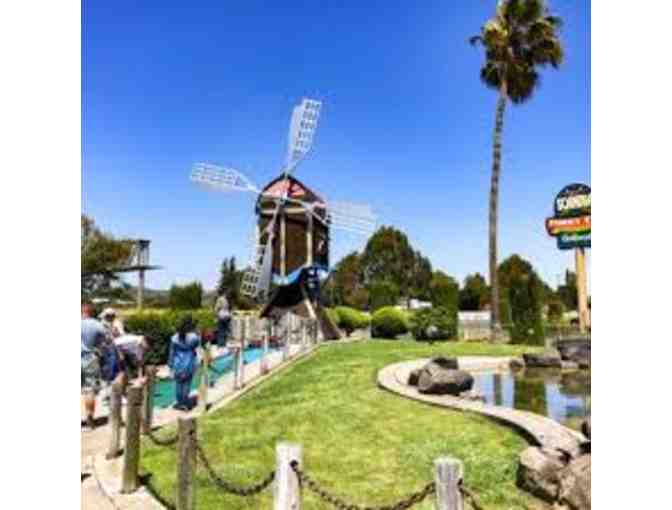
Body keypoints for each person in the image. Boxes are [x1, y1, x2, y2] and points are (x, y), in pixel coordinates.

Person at [81, 304, 107, 429]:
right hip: (90, 358)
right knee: (89, 389)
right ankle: (89, 416)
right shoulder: (97, 325)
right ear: (92, 313)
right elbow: (106, 341)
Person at [168, 315, 200, 411]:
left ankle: (179, 403)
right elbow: (196, 345)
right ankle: (185, 403)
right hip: (189, 362)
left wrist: (170, 365)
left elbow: (171, 353)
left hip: (178, 363)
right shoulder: (193, 338)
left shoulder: (174, 338)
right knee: (187, 384)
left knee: (178, 384)